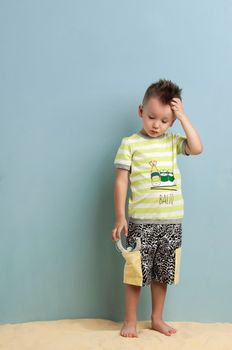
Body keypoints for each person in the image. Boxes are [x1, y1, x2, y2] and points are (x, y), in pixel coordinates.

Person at [111, 79, 203, 338]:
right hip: (141, 222)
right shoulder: (130, 143)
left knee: (162, 274)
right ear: (141, 111)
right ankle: (130, 320)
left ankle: (156, 318)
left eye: (164, 120)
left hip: (171, 223)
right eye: (152, 117)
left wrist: (183, 116)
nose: (156, 125)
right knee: (135, 273)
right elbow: (121, 179)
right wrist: (120, 216)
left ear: (172, 122)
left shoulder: (172, 141)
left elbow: (196, 148)